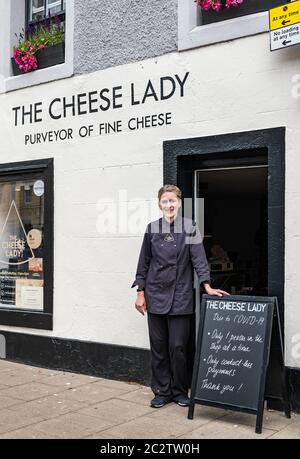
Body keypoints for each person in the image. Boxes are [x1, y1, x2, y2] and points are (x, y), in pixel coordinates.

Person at [131, 184, 228, 408]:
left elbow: (199, 260)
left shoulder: (190, 227)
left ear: (179, 202)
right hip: (154, 296)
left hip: (181, 297)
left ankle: (179, 390)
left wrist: (207, 286)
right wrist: (140, 292)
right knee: (158, 347)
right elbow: (143, 263)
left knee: (178, 347)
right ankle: (162, 392)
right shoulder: (152, 228)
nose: (169, 205)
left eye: (172, 200)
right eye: (165, 201)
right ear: (159, 204)